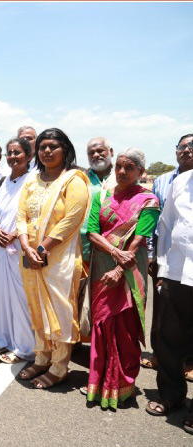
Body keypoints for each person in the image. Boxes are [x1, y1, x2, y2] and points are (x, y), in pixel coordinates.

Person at [15, 128, 90, 389]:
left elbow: (71, 220)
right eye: (43, 146)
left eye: (53, 147)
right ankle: (41, 357)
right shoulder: (32, 180)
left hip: (59, 260)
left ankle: (59, 366)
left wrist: (42, 249)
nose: (47, 151)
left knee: (60, 310)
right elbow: (21, 216)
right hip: (31, 257)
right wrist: (26, 246)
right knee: (36, 308)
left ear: (65, 150)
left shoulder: (74, 180)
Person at [85, 148, 159, 410]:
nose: (122, 172)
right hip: (102, 268)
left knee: (125, 329)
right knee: (102, 324)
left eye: (129, 167)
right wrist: (115, 254)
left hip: (131, 269)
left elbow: (140, 238)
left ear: (140, 172)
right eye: (119, 166)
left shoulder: (148, 200)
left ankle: (123, 386)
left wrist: (120, 268)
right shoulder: (102, 196)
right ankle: (99, 381)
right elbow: (92, 232)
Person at [146, 167, 193, 435]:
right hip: (177, 271)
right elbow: (166, 224)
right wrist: (162, 268)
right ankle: (171, 394)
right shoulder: (183, 181)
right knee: (169, 339)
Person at [142, 133, 193, 371]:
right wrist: (153, 256)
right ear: (175, 151)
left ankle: (189, 361)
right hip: (167, 259)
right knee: (162, 310)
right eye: (182, 146)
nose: (186, 150)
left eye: (191, 146)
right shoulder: (162, 181)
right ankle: (159, 354)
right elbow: (157, 222)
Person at [0, 137, 35, 364]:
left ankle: (24, 347)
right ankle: (1, 338)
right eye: (10, 153)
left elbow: (36, 214)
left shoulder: (34, 180)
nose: (13, 157)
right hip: (0, 244)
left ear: (28, 156)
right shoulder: (2, 181)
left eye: (18, 153)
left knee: (20, 295)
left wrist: (15, 234)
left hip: (19, 243)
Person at [80, 137, 117, 265]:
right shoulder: (81, 179)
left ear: (111, 152)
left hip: (113, 247)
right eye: (91, 153)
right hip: (83, 247)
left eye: (101, 151)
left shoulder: (122, 177)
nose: (96, 155)